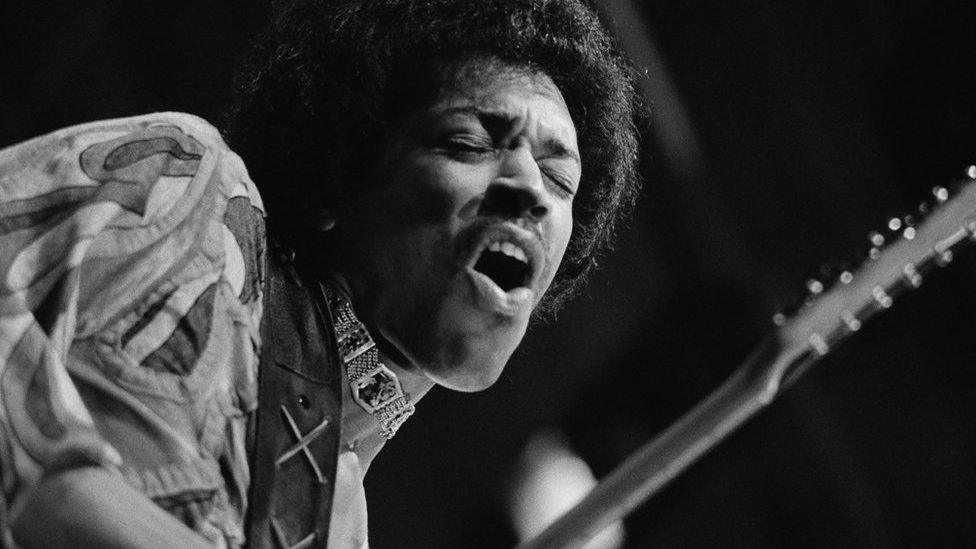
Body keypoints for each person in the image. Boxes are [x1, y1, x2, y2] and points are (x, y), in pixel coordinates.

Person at [0, 0, 641, 547]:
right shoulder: (192, 184)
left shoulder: (343, 518)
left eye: (561, 179)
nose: (531, 187)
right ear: (338, 178)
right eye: (470, 142)